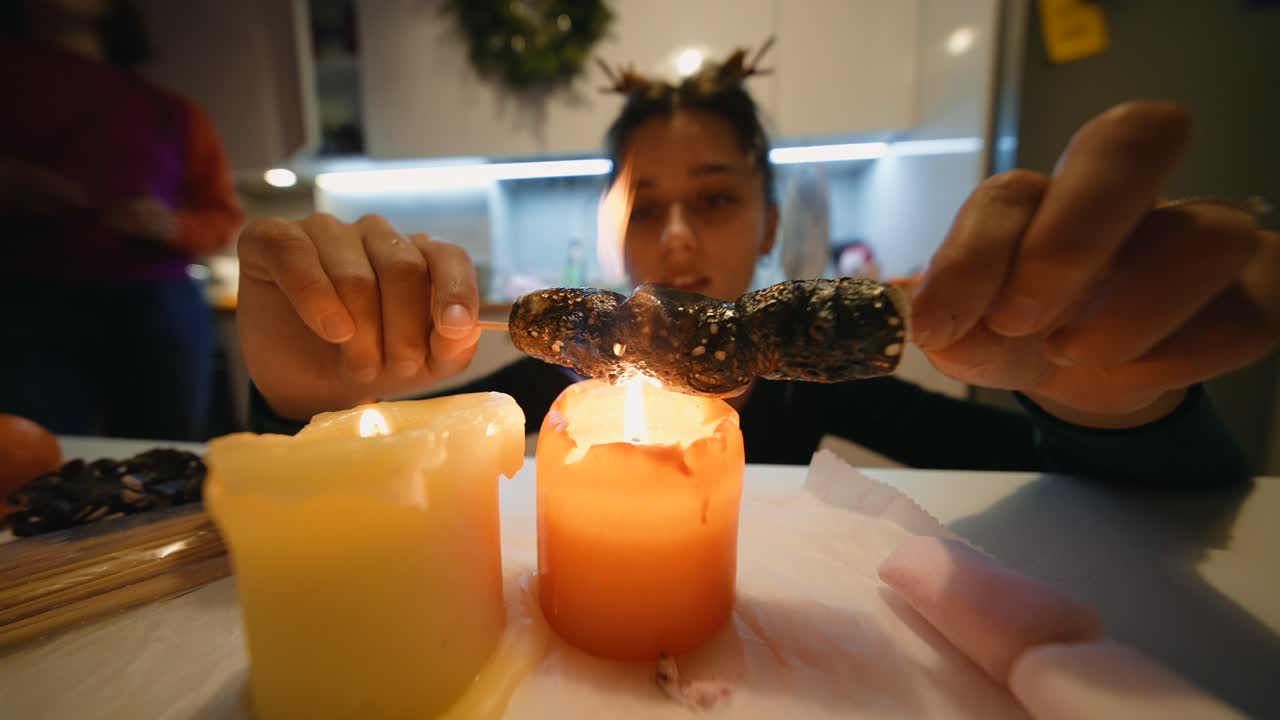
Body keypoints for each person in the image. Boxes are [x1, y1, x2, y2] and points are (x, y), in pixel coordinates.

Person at [234, 49, 1278, 479]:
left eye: (717, 200)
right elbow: (340, 476)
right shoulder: (536, 394)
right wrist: (299, 410)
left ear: (769, 219)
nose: (679, 241)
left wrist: (1114, 410)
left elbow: (1090, 489)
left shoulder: (822, 390)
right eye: (649, 209)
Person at [0, 0, 243, 440]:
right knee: (32, 458)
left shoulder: (169, 111)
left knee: (169, 456)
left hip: (156, 302)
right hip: (26, 300)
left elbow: (223, 218)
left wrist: (172, 226)